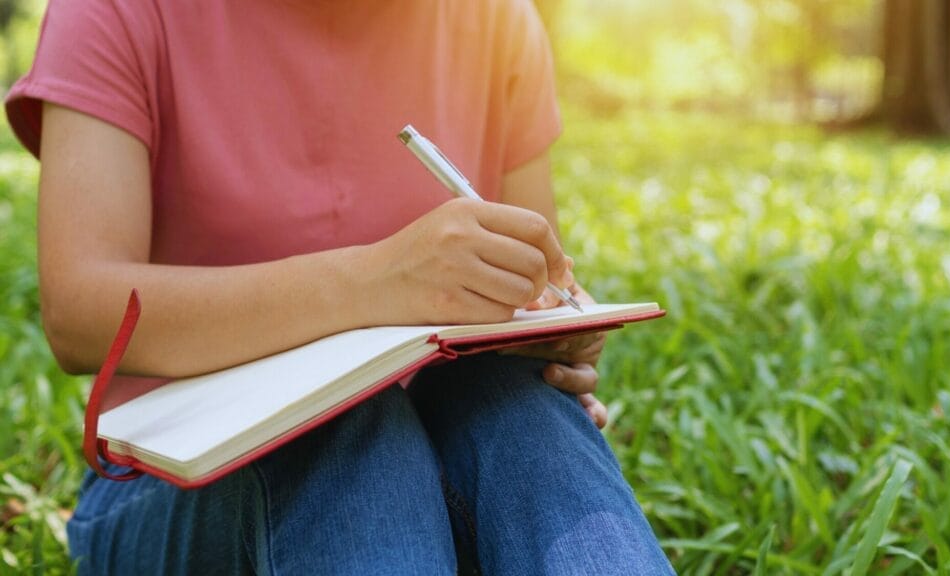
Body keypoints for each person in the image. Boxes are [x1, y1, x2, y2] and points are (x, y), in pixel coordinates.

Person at [7, 0, 675, 574]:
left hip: (448, 437)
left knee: (524, 413)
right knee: (344, 422)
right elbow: (81, 313)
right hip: (180, 479)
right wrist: (374, 281)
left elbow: (539, 279)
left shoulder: (494, 17)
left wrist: (554, 338)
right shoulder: (120, 11)